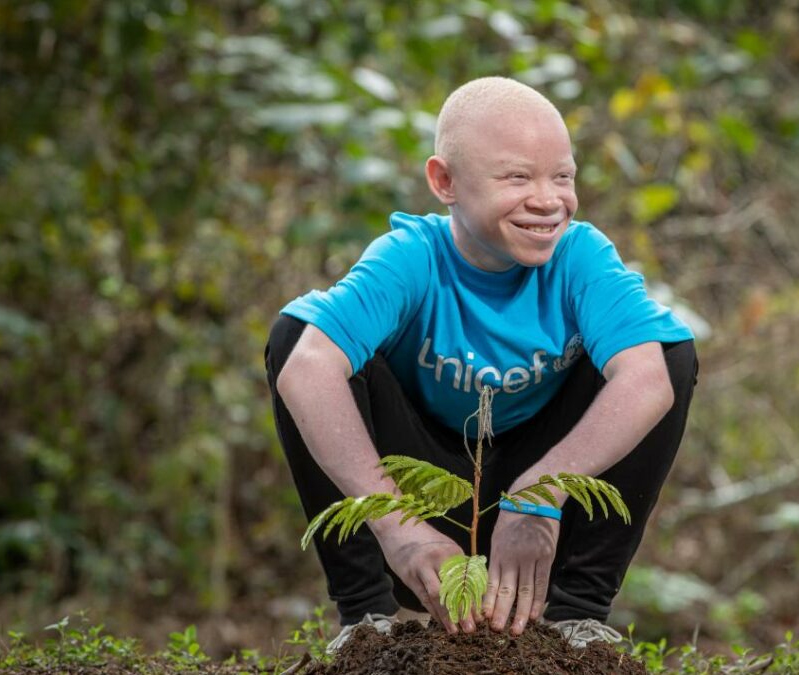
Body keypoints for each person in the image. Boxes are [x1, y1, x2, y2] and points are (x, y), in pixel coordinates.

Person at [264, 77, 697, 651]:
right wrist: (400, 529)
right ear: (445, 182)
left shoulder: (581, 257)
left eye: (563, 176)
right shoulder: (412, 258)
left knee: (664, 351)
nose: (548, 199)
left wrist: (541, 492)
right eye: (517, 177)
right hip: (420, 500)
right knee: (301, 337)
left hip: (538, 511)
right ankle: (365, 618)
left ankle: (578, 615)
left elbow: (648, 380)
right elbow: (305, 367)